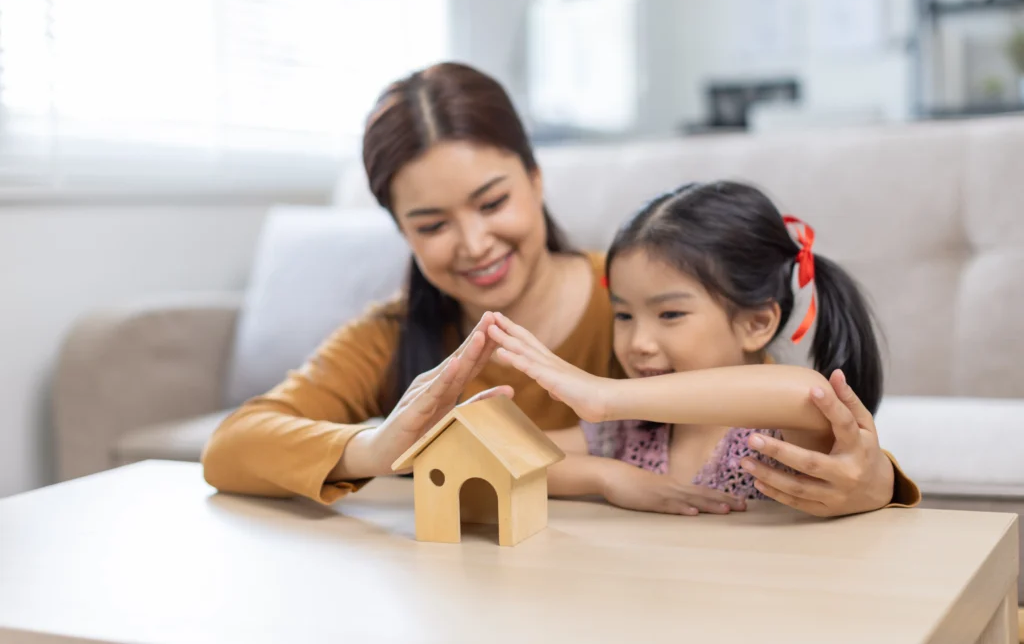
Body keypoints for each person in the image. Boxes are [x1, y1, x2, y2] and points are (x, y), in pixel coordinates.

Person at [201, 63, 920, 517]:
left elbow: (799, 407)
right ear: (402, 232)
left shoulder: (645, 283)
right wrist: (377, 446)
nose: (475, 242)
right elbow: (234, 444)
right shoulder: (390, 334)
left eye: (491, 202)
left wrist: (876, 482)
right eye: (432, 223)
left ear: (536, 180)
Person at [488, 181, 903, 514]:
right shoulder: (628, 434)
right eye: (624, 315)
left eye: (670, 315)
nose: (638, 344)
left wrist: (603, 394)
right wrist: (607, 476)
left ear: (756, 324)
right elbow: (504, 454)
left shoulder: (781, 433)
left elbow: (806, 394)